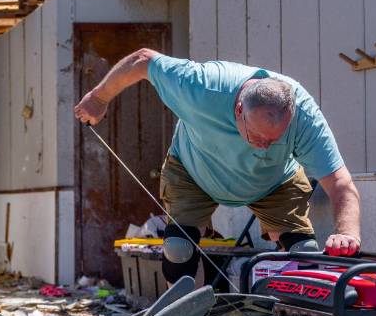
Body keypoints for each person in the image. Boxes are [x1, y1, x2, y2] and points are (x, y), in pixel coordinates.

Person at [74, 49, 361, 284]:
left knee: (304, 251)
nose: (264, 144)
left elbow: (340, 184)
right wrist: (99, 97)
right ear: (238, 110)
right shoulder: (201, 86)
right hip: (195, 171)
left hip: (272, 180)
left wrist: (347, 234)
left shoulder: (304, 116)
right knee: (178, 249)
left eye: (275, 139)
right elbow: (142, 60)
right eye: (257, 136)